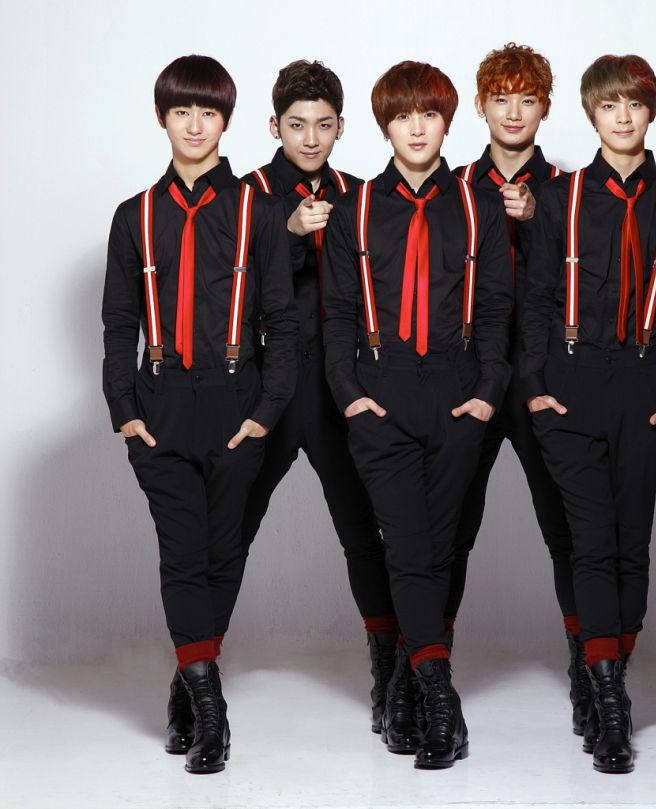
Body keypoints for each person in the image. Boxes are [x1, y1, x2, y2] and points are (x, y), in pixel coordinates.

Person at [102, 54, 298, 774]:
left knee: (223, 553)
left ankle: (187, 681)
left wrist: (267, 411)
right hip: (159, 406)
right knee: (183, 552)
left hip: (237, 404)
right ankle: (212, 712)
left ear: (226, 120)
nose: (194, 125)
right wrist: (125, 411)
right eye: (181, 111)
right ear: (161, 117)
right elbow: (119, 323)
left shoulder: (259, 212)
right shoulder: (134, 216)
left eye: (208, 112)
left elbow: (283, 322)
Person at [520, 54, 656, 773]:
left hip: (645, 384)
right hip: (569, 385)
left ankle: (607, 674)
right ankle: (610, 703)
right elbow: (537, 301)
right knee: (592, 543)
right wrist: (535, 387)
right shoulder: (558, 197)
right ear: (590, 114)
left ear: (650, 110)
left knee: (632, 543)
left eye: (634, 104)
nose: (622, 117)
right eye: (608, 105)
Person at [323, 60, 513, 769]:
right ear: (384, 125)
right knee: (406, 546)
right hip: (382, 390)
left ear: (446, 121)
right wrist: (351, 396)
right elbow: (337, 315)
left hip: (458, 390)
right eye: (402, 116)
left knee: (443, 546)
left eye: (428, 114)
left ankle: (407, 680)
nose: (416, 128)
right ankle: (441, 700)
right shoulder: (354, 210)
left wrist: (487, 391)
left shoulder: (477, 206)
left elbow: (495, 310)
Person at [240, 59, 396, 734]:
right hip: (265, 387)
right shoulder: (244, 196)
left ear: (341, 127)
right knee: (228, 530)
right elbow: (216, 284)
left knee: (364, 532)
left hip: (340, 387)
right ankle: (193, 677)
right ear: (274, 126)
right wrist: (286, 232)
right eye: (297, 125)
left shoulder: (361, 196)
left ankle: (390, 678)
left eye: (323, 125)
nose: (310, 138)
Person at [450, 43, 590, 736]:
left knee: (568, 528)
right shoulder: (448, 185)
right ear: (480, 105)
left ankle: (589, 669)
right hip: (467, 378)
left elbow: (587, 284)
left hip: (542, 379)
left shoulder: (569, 190)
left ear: (545, 108)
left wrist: (539, 220)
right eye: (500, 98)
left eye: (526, 99)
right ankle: (426, 675)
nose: (512, 112)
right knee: (446, 527)